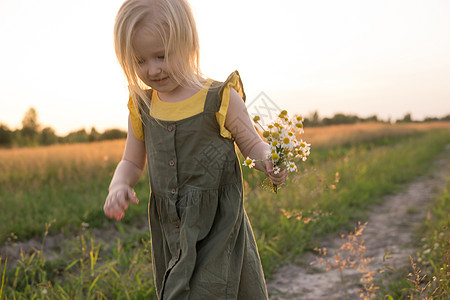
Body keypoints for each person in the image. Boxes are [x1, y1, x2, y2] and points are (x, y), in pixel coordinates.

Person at [104, 0, 288, 299]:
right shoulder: (143, 105)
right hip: (173, 229)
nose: (153, 69)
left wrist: (269, 159)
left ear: (188, 44)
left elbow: (252, 143)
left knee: (213, 289)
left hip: (218, 224)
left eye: (162, 55)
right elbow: (131, 161)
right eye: (140, 60)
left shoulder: (220, 97)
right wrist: (119, 184)